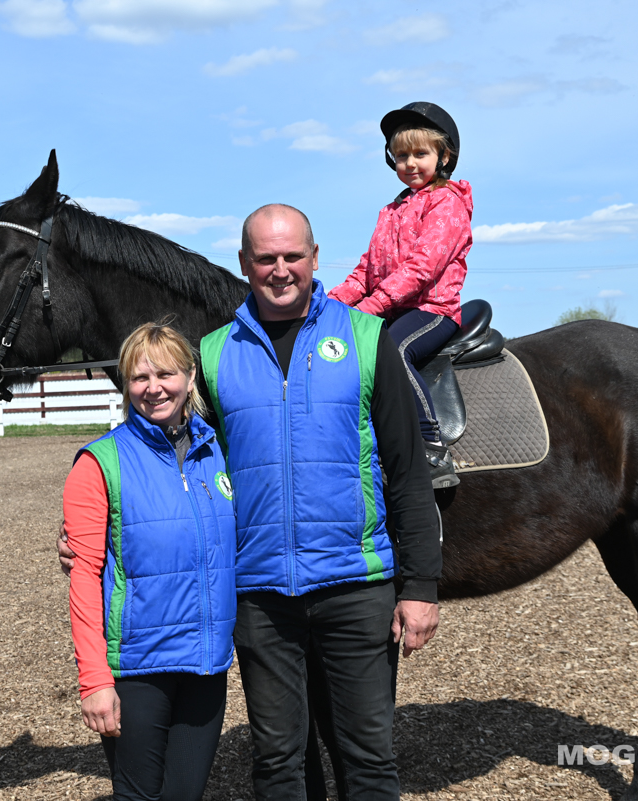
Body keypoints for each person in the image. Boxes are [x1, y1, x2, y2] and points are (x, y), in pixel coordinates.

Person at [199, 204, 442, 800]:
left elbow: (407, 472)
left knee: (367, 757)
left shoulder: (365, 339)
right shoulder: (212, 354)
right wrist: (93, 517)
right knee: (278, 760)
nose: (280, 270)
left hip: (356, 588)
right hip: (260, 597)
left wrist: (420, 586)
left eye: (291, 256)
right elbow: (173, 462)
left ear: (313, 259)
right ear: (244, 264)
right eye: (265, 258)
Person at [63, 321, 237, 801]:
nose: (154, 388)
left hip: (205, 663)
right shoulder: (99, 462)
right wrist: (94, 680)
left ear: (189, 377)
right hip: (137, 668)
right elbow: (84, 577)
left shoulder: (217, 453)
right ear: (125, 385)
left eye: (166, 374)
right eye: (139, 377)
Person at [328, 101, 474, 489]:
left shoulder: (448, 203)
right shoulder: (391, 211)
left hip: (433, 309)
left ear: (444, 156)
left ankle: (430, 445)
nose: (410, 163)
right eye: (401, 156)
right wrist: (329, 304)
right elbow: (368, 269)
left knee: (391, 349)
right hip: (395, 306)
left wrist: (373, 305)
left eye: (420, 154)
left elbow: (422, 267)